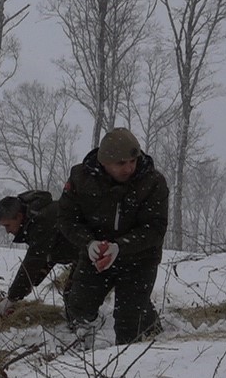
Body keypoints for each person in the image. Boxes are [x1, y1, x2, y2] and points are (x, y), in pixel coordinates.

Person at [57, 127, 169, 345]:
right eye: (121, 163)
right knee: (78, 307)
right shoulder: (80, 178)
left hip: (139, 259)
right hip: (97, 256)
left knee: (128, 328)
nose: (129, 168)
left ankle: (145, 324)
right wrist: (89, 244)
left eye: (133, 161)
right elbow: (66, 219)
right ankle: (139, 309)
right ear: (104, 162)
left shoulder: (153, 182)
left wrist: (120, 246)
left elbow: (155, 229)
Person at [0, 190, 80, 317]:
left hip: (94, 250)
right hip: (83, 252)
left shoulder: (42, 220)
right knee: (72, 297)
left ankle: (84, 330)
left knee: (75, 299)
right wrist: (30, 282)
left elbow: (34, 260)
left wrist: (11, 298)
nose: (7, 231)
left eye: (8, 225)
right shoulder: (34, 219)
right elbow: (47, 255)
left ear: (19, 216)